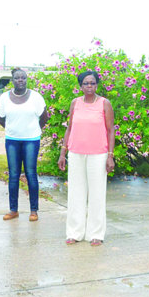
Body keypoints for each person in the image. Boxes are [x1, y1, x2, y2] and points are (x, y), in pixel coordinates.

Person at [57, 70, 115, 246]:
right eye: (86, 83)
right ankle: (74, 232)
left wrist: (110, 156)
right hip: (76, 153)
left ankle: (96, 233)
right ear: (80, 86)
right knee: (76, 193)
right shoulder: (75, 103)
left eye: (92, 83)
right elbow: (69, 128)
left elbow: (111, 130)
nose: (89, 86)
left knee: (97, 194)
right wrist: (63, 153)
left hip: (98, 154)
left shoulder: (105, 104)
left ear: (97, 84)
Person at [0, 68, 48, 222]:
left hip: (31, 140)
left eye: (23, 78)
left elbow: (44, 117)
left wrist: (33, 130)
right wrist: (13, 129)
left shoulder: (36, 97)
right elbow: (1, 118)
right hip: (12, 140)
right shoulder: (4, 98)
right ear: (12, 80)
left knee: (31, 174)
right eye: (17, 78)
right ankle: (13, 210)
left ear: (26, 80)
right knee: (13, 174)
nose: (20, 80)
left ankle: (34, 210)